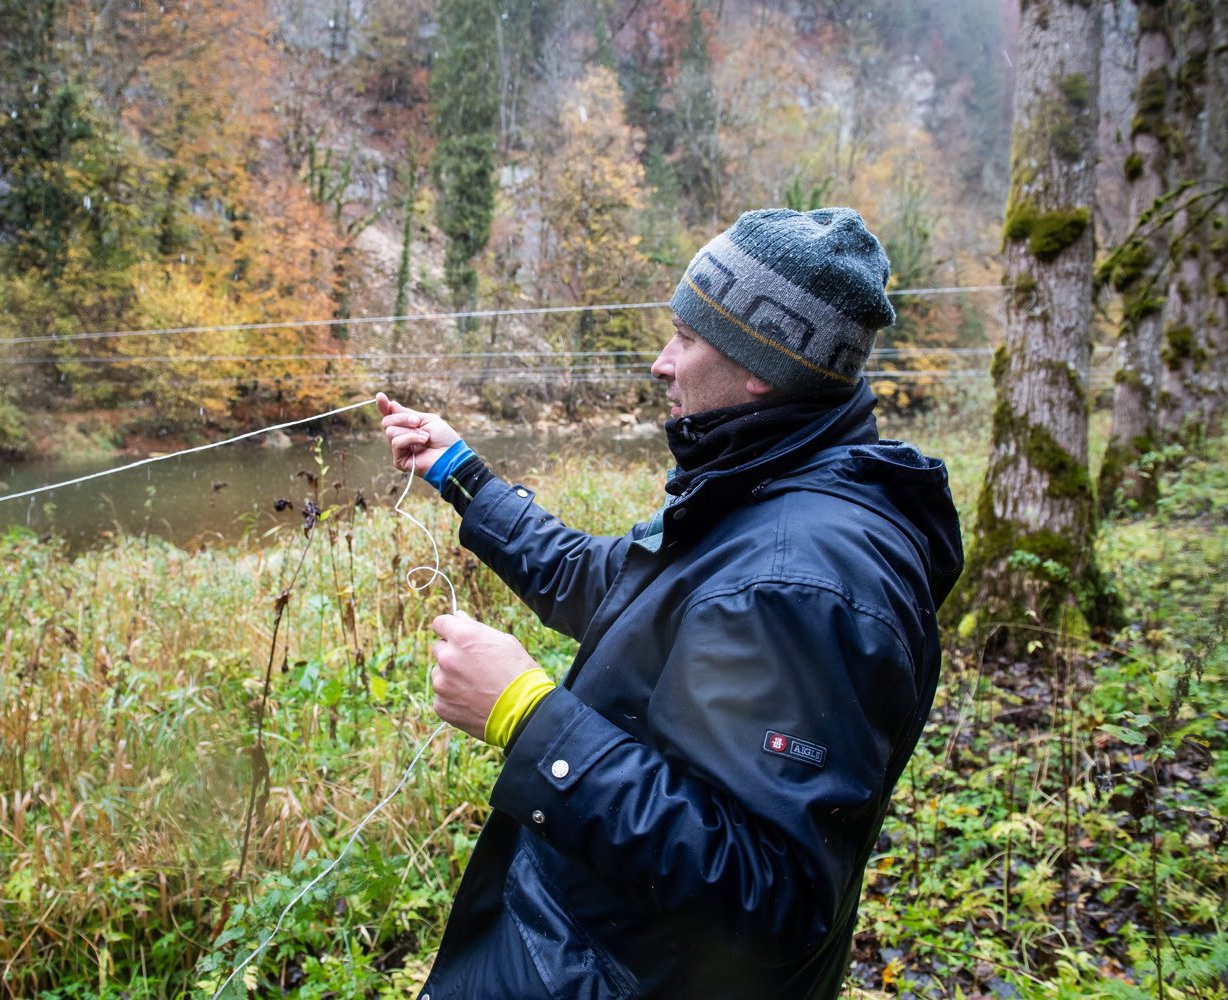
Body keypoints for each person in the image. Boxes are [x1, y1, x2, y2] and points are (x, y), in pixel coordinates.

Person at [378, 207, 964, 999]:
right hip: (595, 952)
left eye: (686, 338)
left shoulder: (799, 579)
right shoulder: (762, 493)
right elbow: (609, 585)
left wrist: (527, 715)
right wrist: (461, 474)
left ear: (762, 365)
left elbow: (771, 895)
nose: (662, 363)